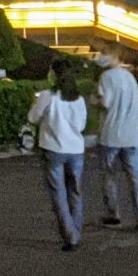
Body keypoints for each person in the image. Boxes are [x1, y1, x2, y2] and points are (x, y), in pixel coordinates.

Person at [27, 62, 89, 251]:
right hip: (76, 149)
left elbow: (32, 118)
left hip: (53, 149)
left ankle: (70, 236)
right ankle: (76, 230)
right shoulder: (78, 98)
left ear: (53, 75)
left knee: (58, 193)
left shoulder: (47, 96)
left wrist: (34, 103)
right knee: (75, 191)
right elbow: (82, 126)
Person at [92, 51, 138, 232]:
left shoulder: (106, 77)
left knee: (109, 175)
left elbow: (106, 102)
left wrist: (95, 100)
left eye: (103, 54)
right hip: (132, 135)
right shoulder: (131, 78)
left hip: (111, 135)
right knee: (135, 178)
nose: (100, 57)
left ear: (113, 57)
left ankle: (113, 214)